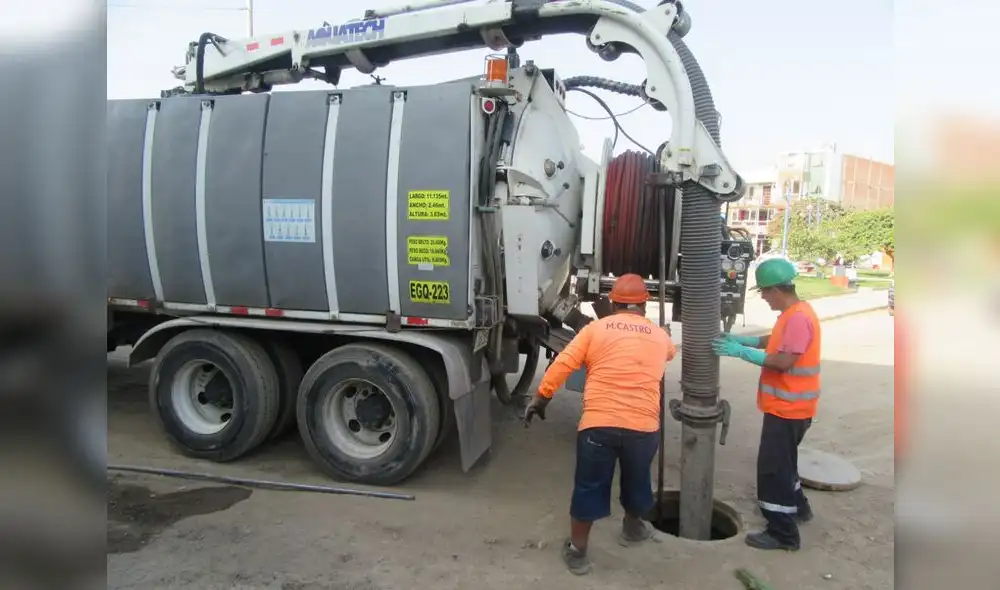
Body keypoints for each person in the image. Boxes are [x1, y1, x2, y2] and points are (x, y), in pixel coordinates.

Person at [522, 273, 677, 575]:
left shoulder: (596, 329)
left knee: (589, 487)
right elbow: (669, 354)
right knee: (637, 479)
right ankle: (632, 527)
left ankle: (578, 553)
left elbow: (564, 362)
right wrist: (657, 338)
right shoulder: (659, 335)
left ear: (613, 302)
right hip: (642, 429)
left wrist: (541, 399)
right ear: (644, 305)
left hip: (598, 425)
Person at [711, 258, 821, 551]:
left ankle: (782, 533)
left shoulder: (797, 317)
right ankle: (800, 508)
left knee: (772, 470)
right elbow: (775, 341)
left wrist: (739, 353)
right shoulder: (796, 312)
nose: (763, 298)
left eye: (764, 292)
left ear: (776, 290)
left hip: (788, 409)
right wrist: (742, 340)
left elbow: (784, 361)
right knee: (786, 464)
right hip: (791, 408)